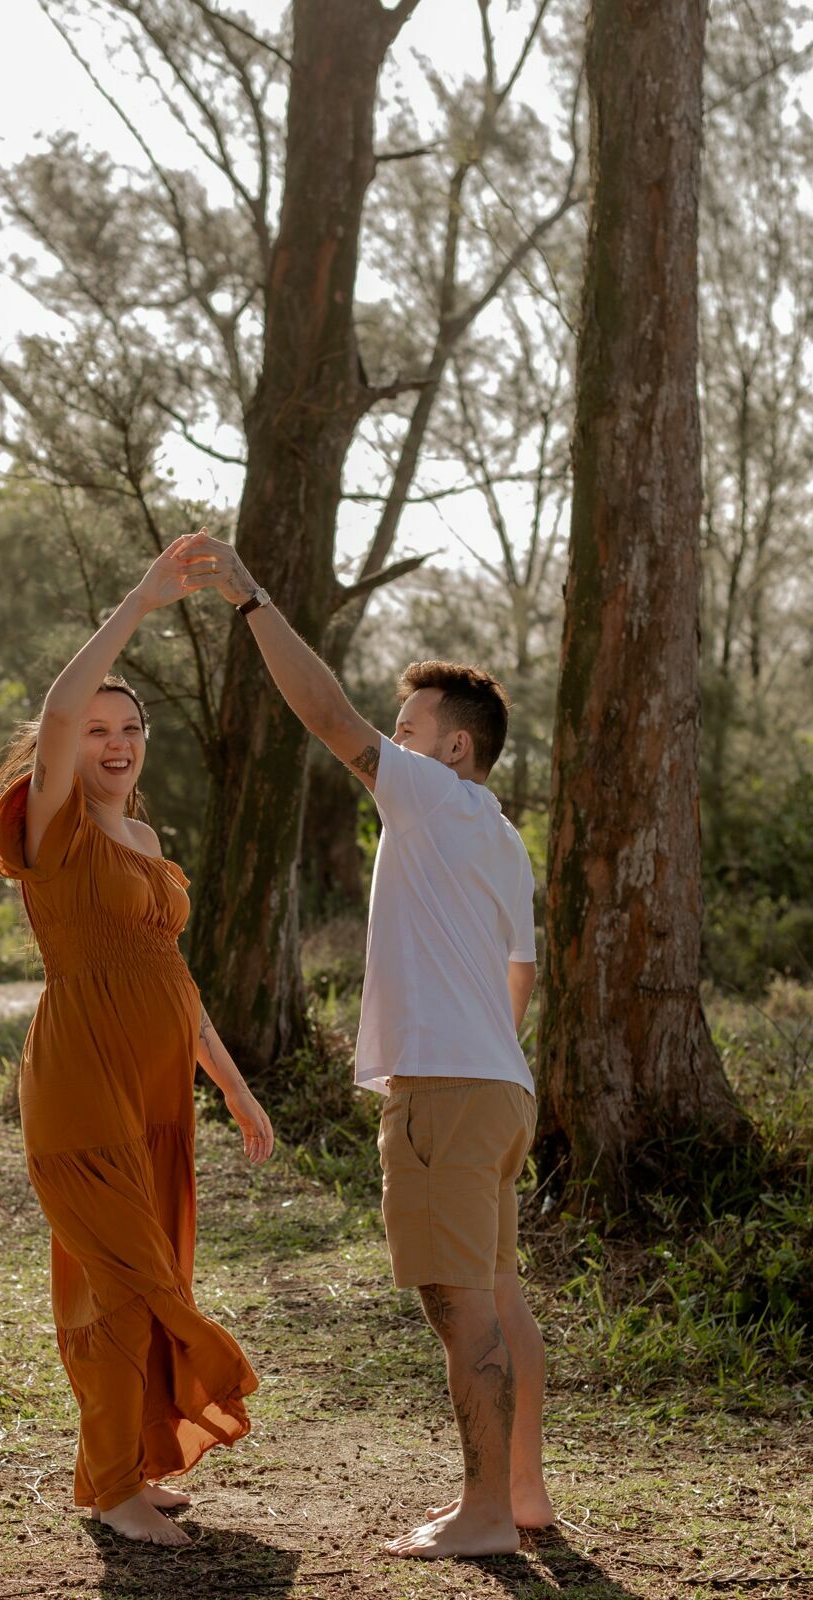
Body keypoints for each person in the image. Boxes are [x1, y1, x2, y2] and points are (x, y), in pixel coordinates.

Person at [176, 529, 552, 1560]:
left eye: (408, 728)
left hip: (448, 1088)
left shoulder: (429, 794)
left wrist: (253, 597)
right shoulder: (503, 836)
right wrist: (485, 1057)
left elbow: (328, 716)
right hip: (499, 1087)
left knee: (458, 1305)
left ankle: (481, 1517)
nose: (389, 742)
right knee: (500, 1292)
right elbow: (522, 972)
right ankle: (522, 1495)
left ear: (453, 748)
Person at [0, 533, 274, 1549]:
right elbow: (54, 708)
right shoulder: (59, 830)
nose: (114, 741)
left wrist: (233, 1082)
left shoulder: (142, 840)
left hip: (157, 1096)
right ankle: (118, 1491)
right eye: (96, 729)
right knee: (130, 1286)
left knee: (140, 1276)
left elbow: (173, 978)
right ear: (67, 744)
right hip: (82, 1083)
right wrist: (143, 598)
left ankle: (114, 1473)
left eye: (128, 727)